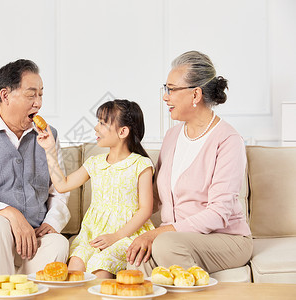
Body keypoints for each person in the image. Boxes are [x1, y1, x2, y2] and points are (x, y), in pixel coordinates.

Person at [127, 51, 252, 275]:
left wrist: (159, 233)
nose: (165, 97)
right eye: (165, 89)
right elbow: (154, 198)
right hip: (176, 238)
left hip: (226, 239)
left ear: (195, 95)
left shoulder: (228, 140)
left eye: (171, 89)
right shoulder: (172, 136)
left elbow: (218, 213)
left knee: (165, 244)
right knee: (136, 259)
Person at [0, 59, 71, 275]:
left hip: (31, 237)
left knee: (59, 244)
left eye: (41, 95)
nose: (38, 103)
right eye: (31, 94)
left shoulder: (49, 136)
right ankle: (3, 290)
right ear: (5, 95)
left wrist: (52, 222)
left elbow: (59, 190)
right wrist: (11, 214)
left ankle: (11, 285)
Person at [37, 99, 155, 279]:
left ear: (123, 131)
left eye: (102, 123)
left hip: (126, 234)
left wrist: (115, 236)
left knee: (101, 266)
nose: (96, 128)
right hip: (93, 232)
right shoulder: (94, 163)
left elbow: (146, 210)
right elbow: (62, 184)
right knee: (74, 267)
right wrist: (49, 149)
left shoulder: (141, 164)